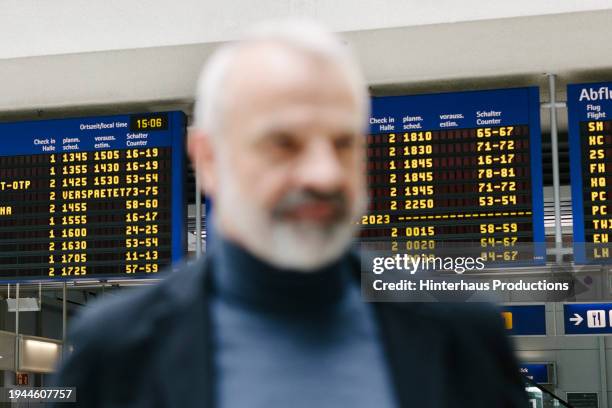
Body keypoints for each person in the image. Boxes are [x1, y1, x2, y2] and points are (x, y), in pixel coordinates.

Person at [52, 20, 528, 407]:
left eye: (343, 143)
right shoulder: (115, 350)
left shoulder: (463, 336)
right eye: (284, 143)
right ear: (209, 157)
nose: (323, 175)